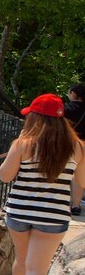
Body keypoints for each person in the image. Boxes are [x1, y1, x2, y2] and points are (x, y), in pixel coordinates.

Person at [0, 93, 85, 275]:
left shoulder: (23, 144)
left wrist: (17, 148)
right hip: (53, 215)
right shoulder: (77, 147)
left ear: (35, 117)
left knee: (22, 260)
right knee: (37, 269)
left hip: (19, 212)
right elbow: (82, 180)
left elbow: (5, 175)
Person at [63, 84, 85, 214]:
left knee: (64, 173)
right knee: (79, 175)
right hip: (84, 145)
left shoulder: (66, 109)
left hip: (69, 144)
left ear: (73, 93)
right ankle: (76, 205)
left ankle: (64, 203)